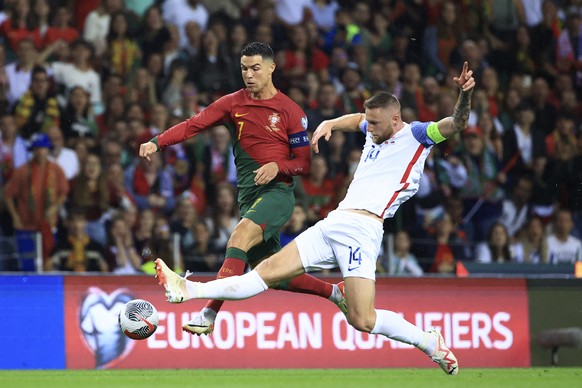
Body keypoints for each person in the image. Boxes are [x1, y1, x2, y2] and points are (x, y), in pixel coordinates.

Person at [153, 61, 476, 375]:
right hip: (334, 223)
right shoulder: (373, 127)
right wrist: (332, 123)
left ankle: (428, 341)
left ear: (396, 119)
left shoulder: (418, 135)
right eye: (369, 122)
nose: (369, 128)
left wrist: (464, 94)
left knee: (362, 320)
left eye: (375, 124)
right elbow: (357, 120)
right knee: (266, 273)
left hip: (364, 229)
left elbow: (456, 123)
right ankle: (189, 288)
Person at [139, 42, 346, 336]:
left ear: (271, 68)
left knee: (239, 236)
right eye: (244, 69)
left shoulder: (290, 110)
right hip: (248, 197)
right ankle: (337, 293)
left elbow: (304, 163)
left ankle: (208, 311)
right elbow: (192, 125)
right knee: (270, 272)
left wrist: (279, 167)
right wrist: (156, 142)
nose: (248, 75)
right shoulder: (232, 103)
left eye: (255, 68)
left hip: (278, 194)